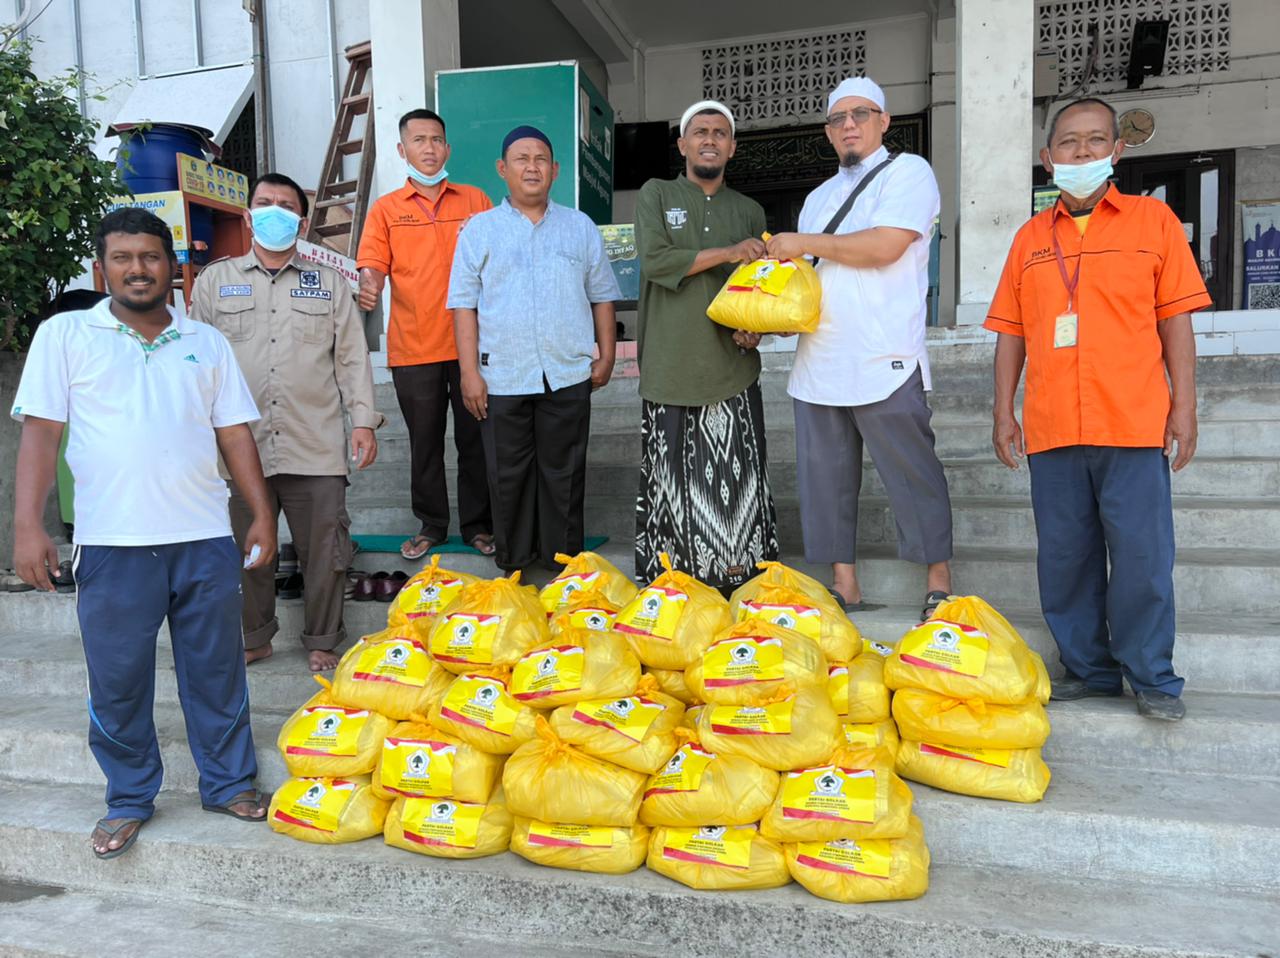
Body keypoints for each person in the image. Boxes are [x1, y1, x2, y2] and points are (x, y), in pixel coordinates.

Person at [10, 208, 276, 858]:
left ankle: (230, 782)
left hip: (203, 540)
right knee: (119, 679)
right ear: (103, 269)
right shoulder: (67, 336)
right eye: (123, 258)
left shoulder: (205, 342)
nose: (137, 268)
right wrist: (27, 527)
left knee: (216, 673)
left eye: (150, 257)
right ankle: (128, 797)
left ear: (174, 269)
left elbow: (234, 432)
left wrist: (263, 511)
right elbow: (41, 434)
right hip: (112, 547)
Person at [985, 97, 1211, 721]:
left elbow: (1176, 322)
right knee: (1065, 557)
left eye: (1094, 142)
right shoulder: (1029, 239)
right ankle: (1088, 669)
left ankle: (1153, 677)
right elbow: (1011, 332)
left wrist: (1184, 408)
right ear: (1047, 156)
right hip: (1054, 425)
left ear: (1116, 151)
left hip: (1132, 420)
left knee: (1142, 557)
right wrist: (1003, 411)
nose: (1081, 153)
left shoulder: (1153, 222)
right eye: (1068, 143)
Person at [764, 77, 953, 619]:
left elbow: (885, 246)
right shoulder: (819, 197)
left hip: (884, 354)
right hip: (820, 358)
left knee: (913, 473)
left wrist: (805, 243)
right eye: (838, 119)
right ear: (828, 132)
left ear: (883, 121)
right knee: (824, 480)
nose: (848, 125)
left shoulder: (909, 173)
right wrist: (774, 315)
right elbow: (809, 278)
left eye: (860, 114)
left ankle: (937, 579)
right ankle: (843, 584)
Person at [190, 172, 383, 673]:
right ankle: (254, 636)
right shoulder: (215, 280)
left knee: (325, 550)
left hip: (313, 440)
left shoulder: (331, 284)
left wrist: (362, 421)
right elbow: (195, 361)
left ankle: (322, 638)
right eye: (265, 203)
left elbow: (351, 357)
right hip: (238, 445)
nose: (275, 211)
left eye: (286, 205)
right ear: (250, 216)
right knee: (246, 549)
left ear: (301, 221)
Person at [446, 125, 620, 571]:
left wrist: (607, 353)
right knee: (508, 475)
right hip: (502, 374)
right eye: (521, 159)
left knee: (564, 473)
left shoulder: (579, 227)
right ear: (502, 169)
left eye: (541, 159)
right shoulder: (479, 231)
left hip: (567, 372)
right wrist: (469, 373)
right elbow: (463, 306)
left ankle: (562, 562)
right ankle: (517, 564)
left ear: (555, 170)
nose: (532, 167)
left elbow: (602, 294)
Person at [633, 99, 779, 593]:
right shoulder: (656, 193)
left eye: (720, 133)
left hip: (731, 368)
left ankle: (740, 577)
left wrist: (755, 327)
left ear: (732, 147)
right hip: (671, 366)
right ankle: (674, 582)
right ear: (683, 144)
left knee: (737, 483)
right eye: (700, 131)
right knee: (672, 484)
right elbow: (655, 261)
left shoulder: (749, 210)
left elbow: (760, 287)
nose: (710, 139)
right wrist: (730, 251)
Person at [357, 108, 495, 561]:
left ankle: (479, 525)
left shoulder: (475, 201)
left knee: (476, 441)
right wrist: (369, 284)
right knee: (425, 443)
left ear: (447, 148)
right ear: (402, 150)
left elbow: (501, 258)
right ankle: (432, 524)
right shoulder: (386, 210)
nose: (429, 148)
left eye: (437, 139)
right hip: (413, 347)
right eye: (419, 140)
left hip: (471, 345)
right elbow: (372, 264)